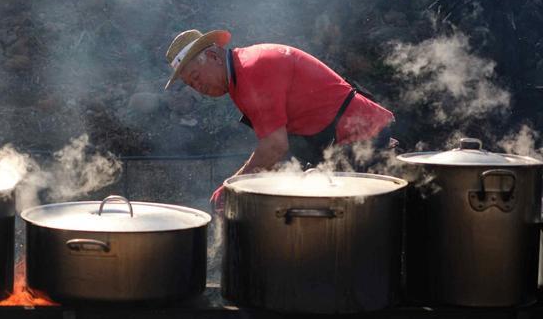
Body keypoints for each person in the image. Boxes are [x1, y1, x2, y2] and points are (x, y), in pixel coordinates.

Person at [164, 29, 396, 204]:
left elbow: (275, 145)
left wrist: (232, 188)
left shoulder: (252, 70)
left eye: (195, 76)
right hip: (339, 146)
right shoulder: (240, 76)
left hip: (363, 140)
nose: (197, 87)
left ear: (214, 56)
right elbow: (282, 148)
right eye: (190, 84)